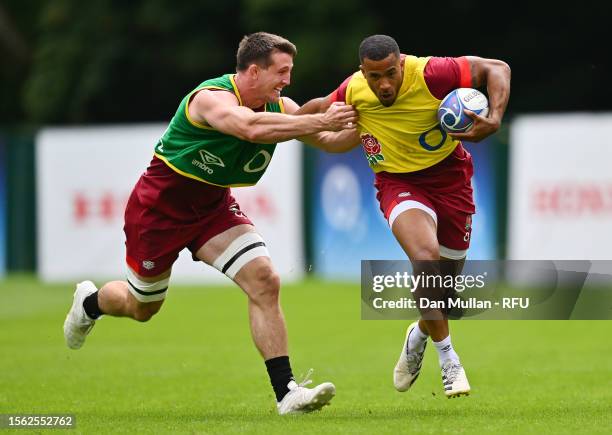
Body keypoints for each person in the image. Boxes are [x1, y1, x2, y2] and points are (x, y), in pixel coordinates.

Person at [63, 31, 357, 415]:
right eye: (281, 72)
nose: (288, 81)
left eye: (290, 72)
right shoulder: (210, 99)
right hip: (158, 212)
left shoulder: (280, 106)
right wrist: (319, 119)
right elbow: (251, 128)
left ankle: (286, 393)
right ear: (253, 71)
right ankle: (89, 303)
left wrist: (375, 122)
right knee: (142, 306)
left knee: (264, 280)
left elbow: (331, 141)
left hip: (212, 207)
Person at [298, 34, 510, 398]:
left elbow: (497, 68)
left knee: (442, 291)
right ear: (362, 71)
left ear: (401, 63)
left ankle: (419, 335)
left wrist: (494, 118)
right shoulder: (353, 91)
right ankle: (449, 361)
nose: (383, 84)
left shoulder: (432, 73)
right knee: (425, 257)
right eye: (373, 76)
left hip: (451, 178)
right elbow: (312, 112)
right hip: (397, 183)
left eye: (390, 74)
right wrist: (277, 125)